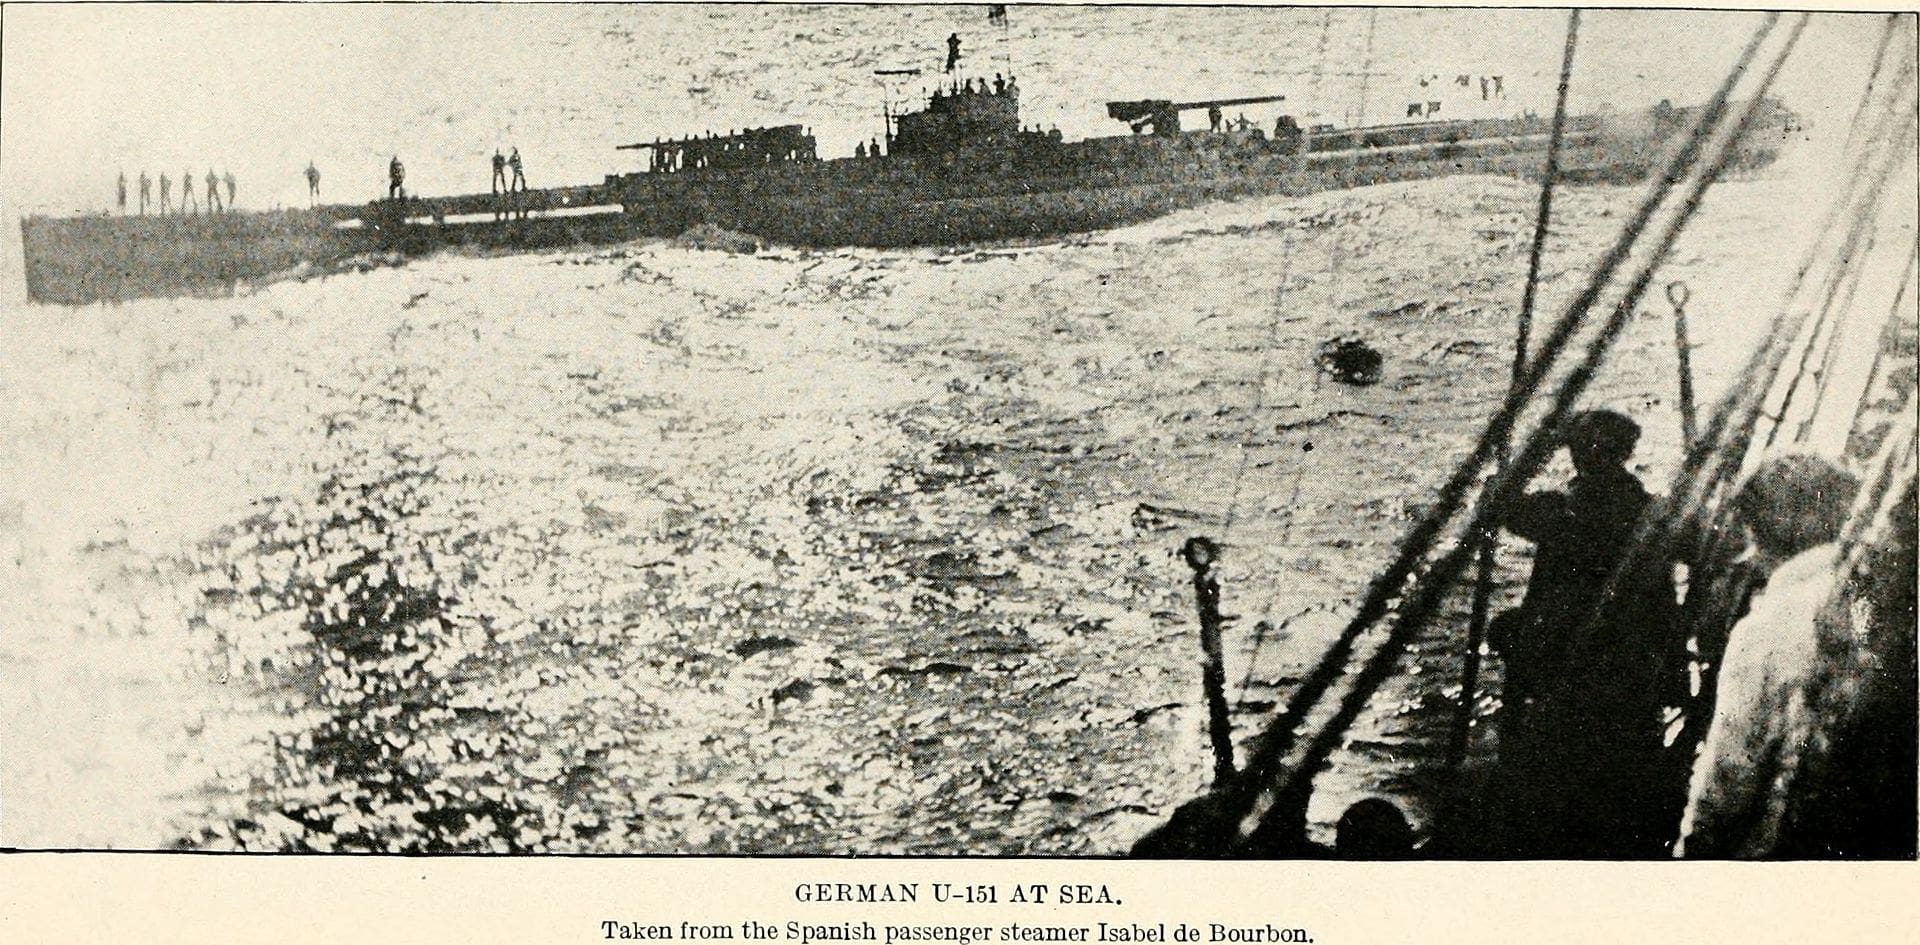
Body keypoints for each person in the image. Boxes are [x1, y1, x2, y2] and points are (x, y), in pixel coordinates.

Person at [1674, 455, 1892, 859]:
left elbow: (1728, 779)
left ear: (1759, 531)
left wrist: (1693, 853)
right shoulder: (1888, 603)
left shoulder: (1769, 625)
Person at [1488, 409, 1682, 857]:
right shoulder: (1650, 512)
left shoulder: (1566, 511)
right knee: (1625, 775)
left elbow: (1499, 505)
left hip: (1570, 675)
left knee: (1562, 777)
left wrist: (1530, 450)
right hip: (1637, 678)